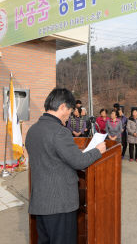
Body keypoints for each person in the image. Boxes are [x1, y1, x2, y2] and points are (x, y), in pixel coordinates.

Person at [26, 88, 106, 244]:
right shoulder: (60, 132)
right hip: (60, 204)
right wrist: (97, 151)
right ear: (62, 106)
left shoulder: (32, 130)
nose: (69, 116)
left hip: (41, 204)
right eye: (69, 111)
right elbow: (79, 162)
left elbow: (50, 158)